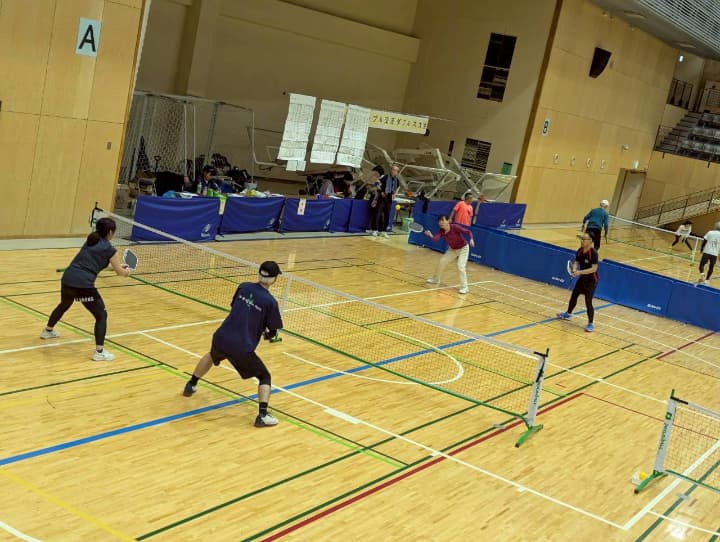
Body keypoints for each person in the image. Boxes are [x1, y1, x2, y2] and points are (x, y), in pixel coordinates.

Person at [182, 261, 284, 428]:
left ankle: (191, 384)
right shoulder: (270, 302)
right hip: (241, 347)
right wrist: (268, 334)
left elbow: (236, 307)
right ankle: (263, 415)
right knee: (264, 377)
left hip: (222, 337)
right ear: (274, 279)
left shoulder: (243, 287)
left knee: (211, 355)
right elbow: (272, 332)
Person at [41, 218, 131, 360]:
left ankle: (48, 331)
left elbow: (96, 264)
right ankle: (99, 353)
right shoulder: (110, 249)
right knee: (101, 315)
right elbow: (120, 273)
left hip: (68, 279)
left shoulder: (91, 240)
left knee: (64, 304)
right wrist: (125, 272)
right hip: (83, 285)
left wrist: (117, 267)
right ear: (110, 232)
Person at [557, 233, 599, 332]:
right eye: (581, 239)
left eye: (584, 239)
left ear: (590, 241)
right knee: (574, 296)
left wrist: (579, 272)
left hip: (591, 282)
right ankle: (568, 314)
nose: (582, 241)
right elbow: (576, 262)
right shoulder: (580, 250)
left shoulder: (593, 253)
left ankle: (590, 324)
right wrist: (574, 269)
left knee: (588, 302)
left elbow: (594, 269)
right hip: (582, 279)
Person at [424, 215, 474, 294]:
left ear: (448, 221)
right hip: (452, 250)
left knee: (460, 266)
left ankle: (465, 287)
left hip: (463, 249)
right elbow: (435, 239)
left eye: (442, 220)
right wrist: (430, 235)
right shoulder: (441, 231)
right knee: (442, 261)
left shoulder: (455, 227)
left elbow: (468, 232)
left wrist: (471, 239)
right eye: (439, 221)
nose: (440, 222)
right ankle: (436, 279)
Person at [378, 164, 400, 238]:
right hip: (382, 197)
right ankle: (379, 230)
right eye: (393, 169)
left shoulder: (396, 180)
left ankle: (384, 231)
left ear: (397, 172)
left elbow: (398, 187)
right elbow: (377, 184)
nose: (393, 171)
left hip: (389, 198)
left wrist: (395, 194)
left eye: (395, 170)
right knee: (379, 214)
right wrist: (381, 192)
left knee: (387, 215)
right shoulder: (385, 177)